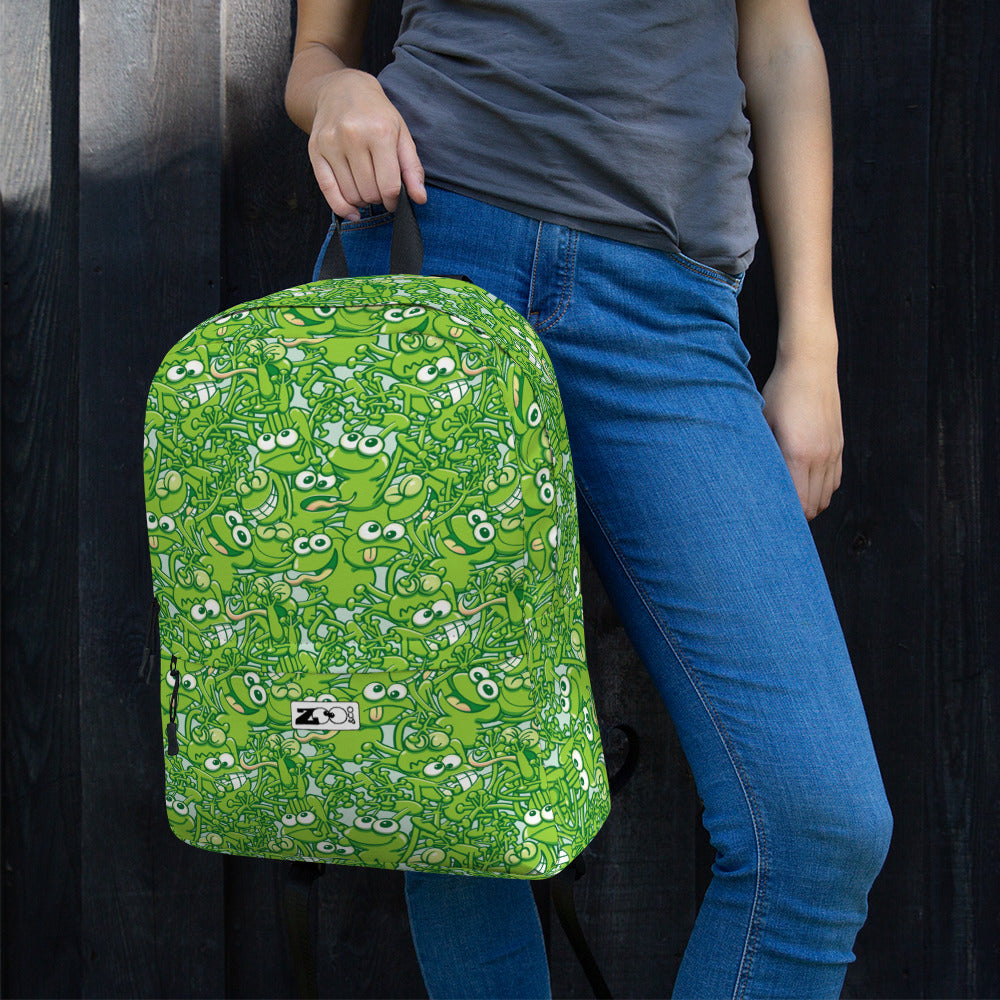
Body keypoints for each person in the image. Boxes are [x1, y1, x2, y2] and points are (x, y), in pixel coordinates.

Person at [284, 0, 894, 996]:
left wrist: (812, 349)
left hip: (668, 318)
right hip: (439, 254)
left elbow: (781, 42)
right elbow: (316, 55)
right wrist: (337, 92)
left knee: (819, 823)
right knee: (453, 786)